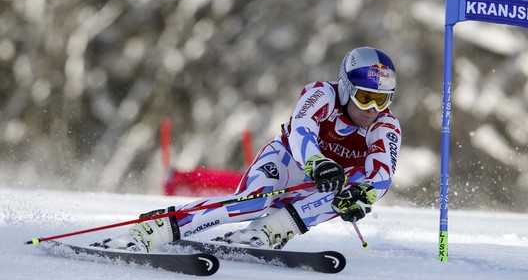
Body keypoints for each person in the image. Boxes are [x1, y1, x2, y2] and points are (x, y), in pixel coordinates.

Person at [100, 46, 402, 252]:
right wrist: (317, 163)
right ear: (347, 87)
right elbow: (302, 132)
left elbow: (382, 173)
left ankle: (266, 233)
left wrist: (364, 196)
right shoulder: (322, 94)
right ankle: (154, 230)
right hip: (287, 162)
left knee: (348, 192)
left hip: (320, 184)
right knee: (250, 203)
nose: (373, 108)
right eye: (365, 97)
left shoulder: (385, 126)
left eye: (382, 99)